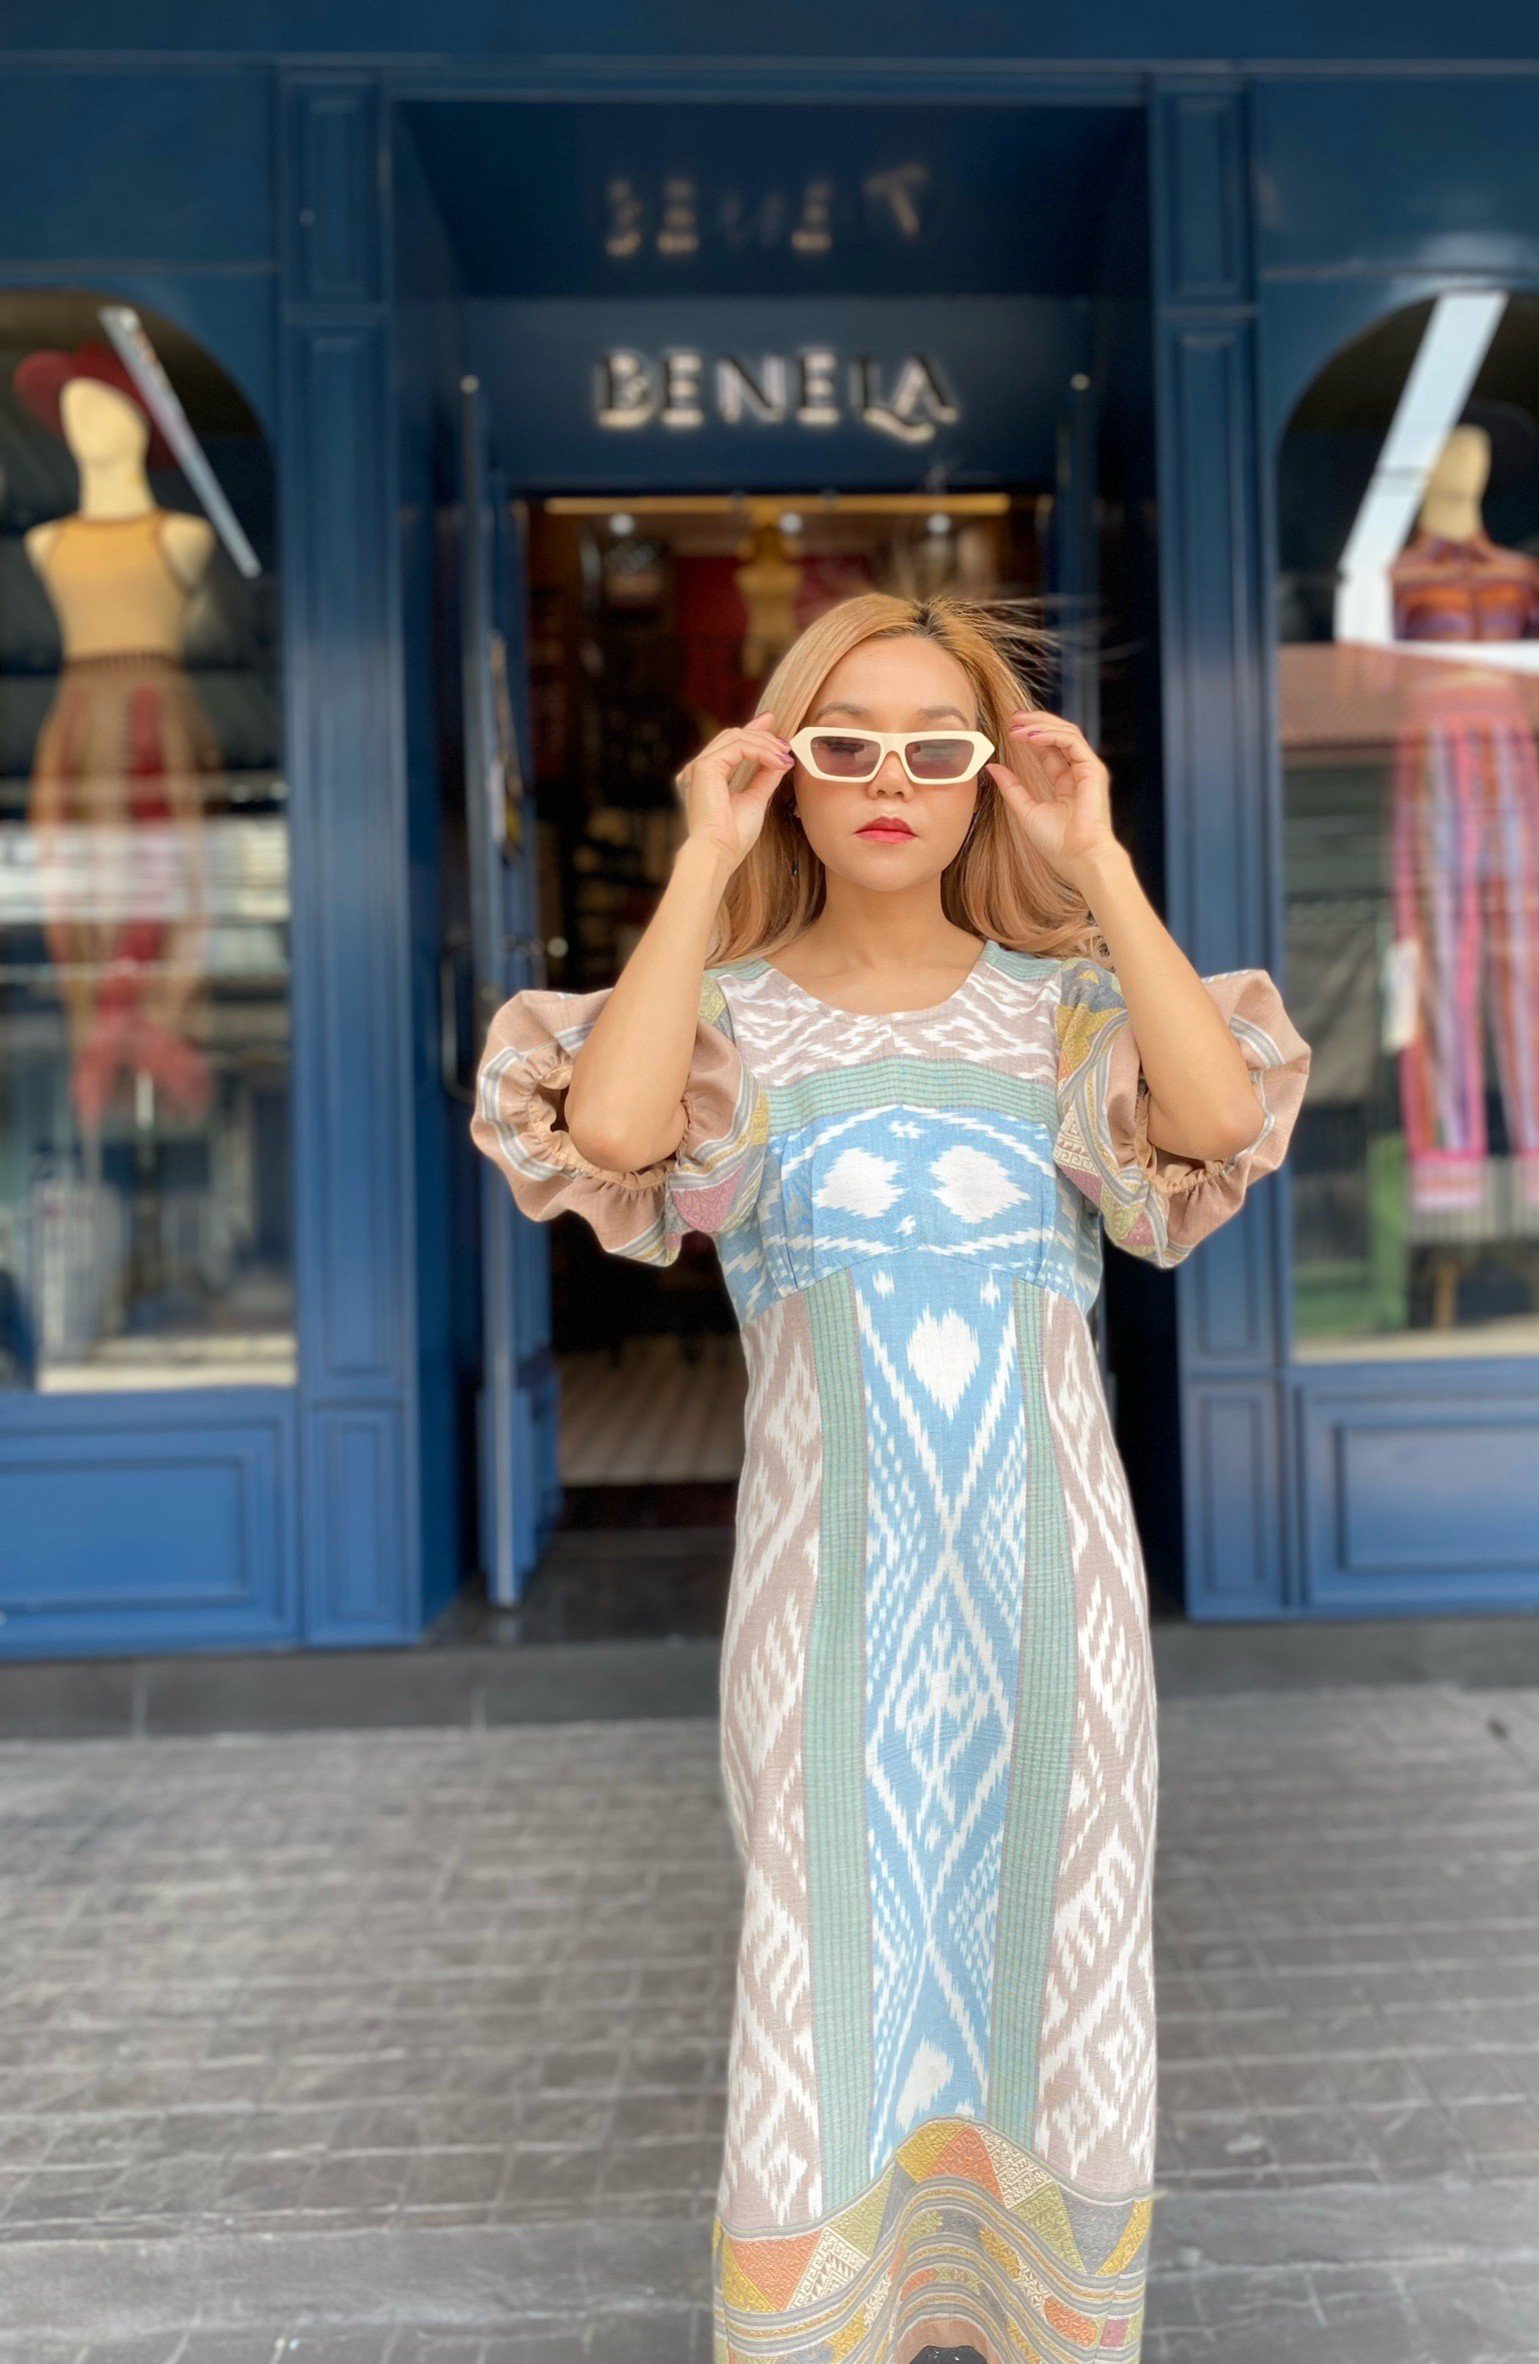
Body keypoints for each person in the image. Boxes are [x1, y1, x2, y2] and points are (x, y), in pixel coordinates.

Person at [471, 592, 1310, 2364]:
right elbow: (609, 1135)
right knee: (823, 1974)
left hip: (1050, 1607)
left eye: (938, 749)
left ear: (988, 775)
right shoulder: (725, 1024)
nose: (889, 781)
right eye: (842, 744)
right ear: (783, 765)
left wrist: (1094, 859)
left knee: (1059, 1976)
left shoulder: (1066, 1012)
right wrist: (704, 860)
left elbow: (1218, 1124)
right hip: (826, 1614)